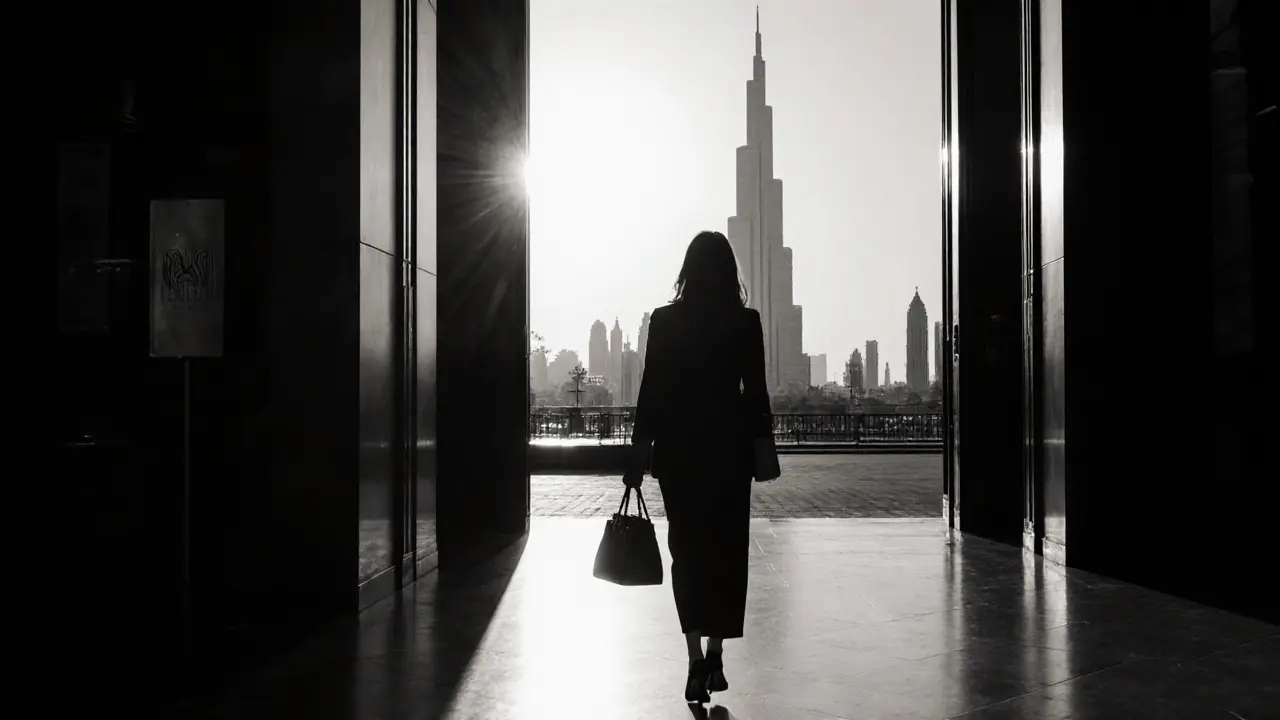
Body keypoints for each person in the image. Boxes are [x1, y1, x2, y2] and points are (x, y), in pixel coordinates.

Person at [624, 230, 773, 704]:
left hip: (679, 455)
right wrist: (760, 444)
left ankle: (692, 657)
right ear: (730, 271)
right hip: (728, 454)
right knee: (726, 554)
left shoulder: (665, 322)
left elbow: (651, 393)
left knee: (687, 554)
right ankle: (715, 653)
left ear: (686, 270)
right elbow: (757, 395)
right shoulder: (745, 322)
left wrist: (639, 450)